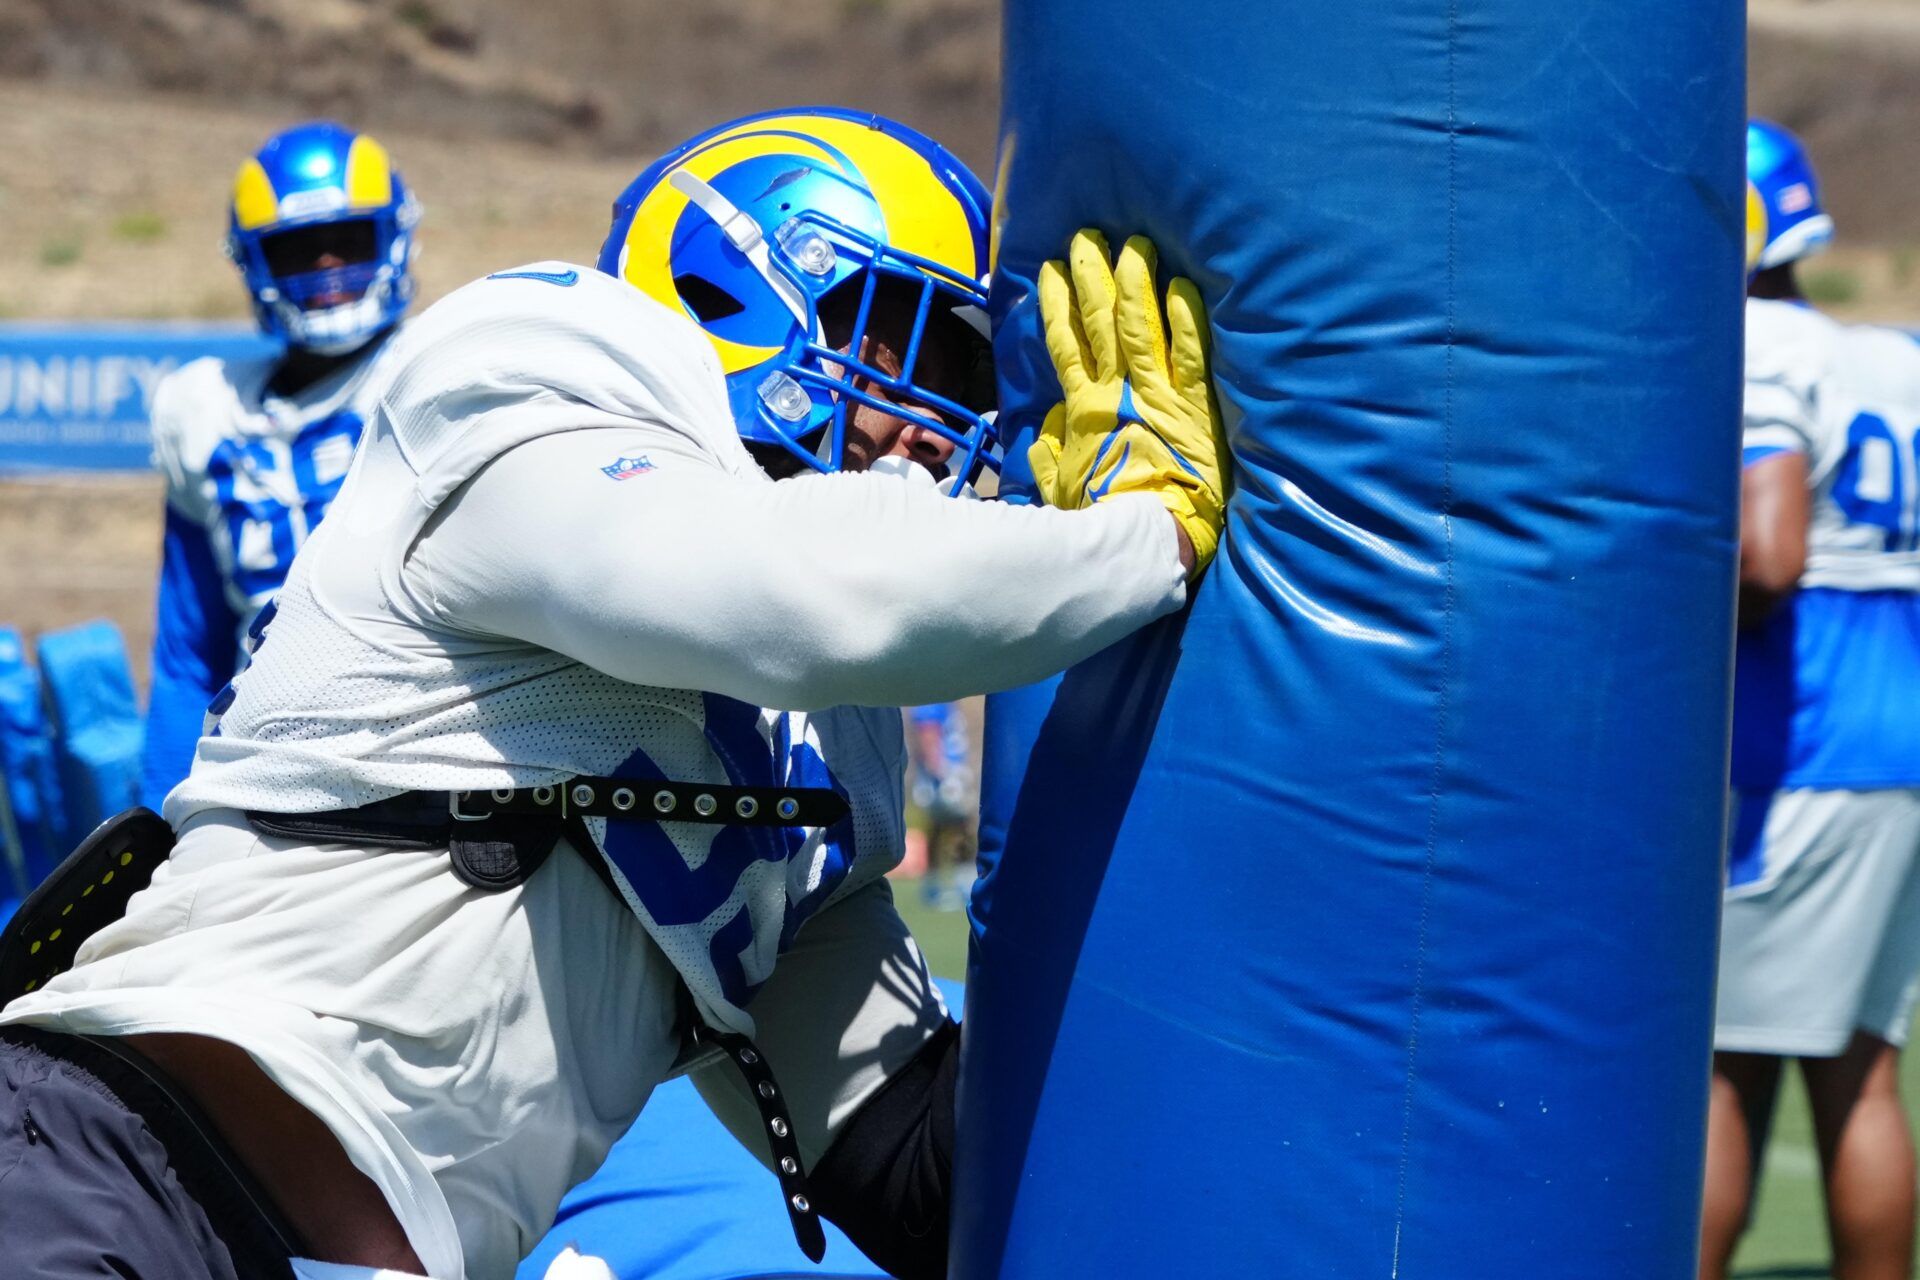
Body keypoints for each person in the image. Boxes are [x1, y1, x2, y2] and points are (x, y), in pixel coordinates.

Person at [0, 107, 1229, 1280]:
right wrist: (1143, 536)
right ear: (743, 284)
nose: (936, 424)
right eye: (915, 340)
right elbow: (795, 589)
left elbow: (913, 1158)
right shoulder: (533, 385)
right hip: (119, 1167)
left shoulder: (821, 746)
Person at [1699, 119, 1920, 1280]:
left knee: (1722, 1064)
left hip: (1801, 747)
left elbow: (1774, 553)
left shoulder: (1763, 345)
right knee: (1860, 1070)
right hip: (1900, 742)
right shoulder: (1895, 353)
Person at [140, 121, 422, 810]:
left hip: (424, 755)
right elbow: (189, 650)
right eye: (300, 250)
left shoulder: (438, 368)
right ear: (252, 262)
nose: (329, 267)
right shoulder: (204, 407)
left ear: (394, 236)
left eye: (349, 241)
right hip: (258, 761)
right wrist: (154, 822)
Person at [904, 703, 975, 911]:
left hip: (945, 774)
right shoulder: (932, 701)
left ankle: (934, 884)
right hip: (944, 777)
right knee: (962, 824)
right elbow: (928, 733)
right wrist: (940, 770)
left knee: (940, 826)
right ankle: (961, 881)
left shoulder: (943, 701)